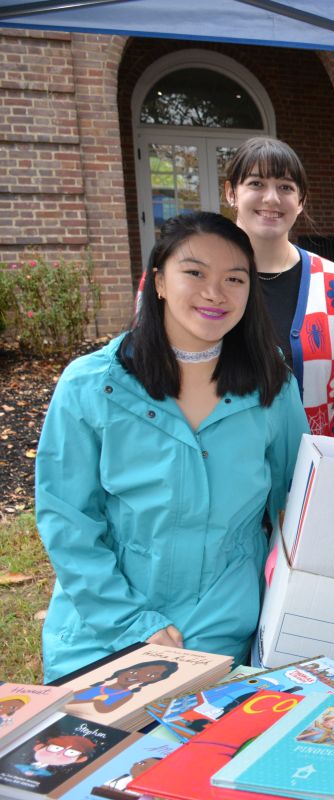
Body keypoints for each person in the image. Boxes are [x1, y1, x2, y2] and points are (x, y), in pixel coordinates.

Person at [36, 211, 308, 682]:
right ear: (159, 281)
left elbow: (297, 502)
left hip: (222, 629)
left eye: (234, 278)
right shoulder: (91, 384)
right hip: (101, 634)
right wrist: (129, 623)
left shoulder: (271, 384)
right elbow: (68, 521)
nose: (215, 293)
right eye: (195, 273)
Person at [223, 136, 334, 441]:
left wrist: (332, 462)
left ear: (301, 201)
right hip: (219, 465)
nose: (271, 198)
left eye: (285, 187)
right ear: (231, 193)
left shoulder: (331, 284)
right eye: (256, 183)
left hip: (312, 464)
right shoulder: (196, 276)